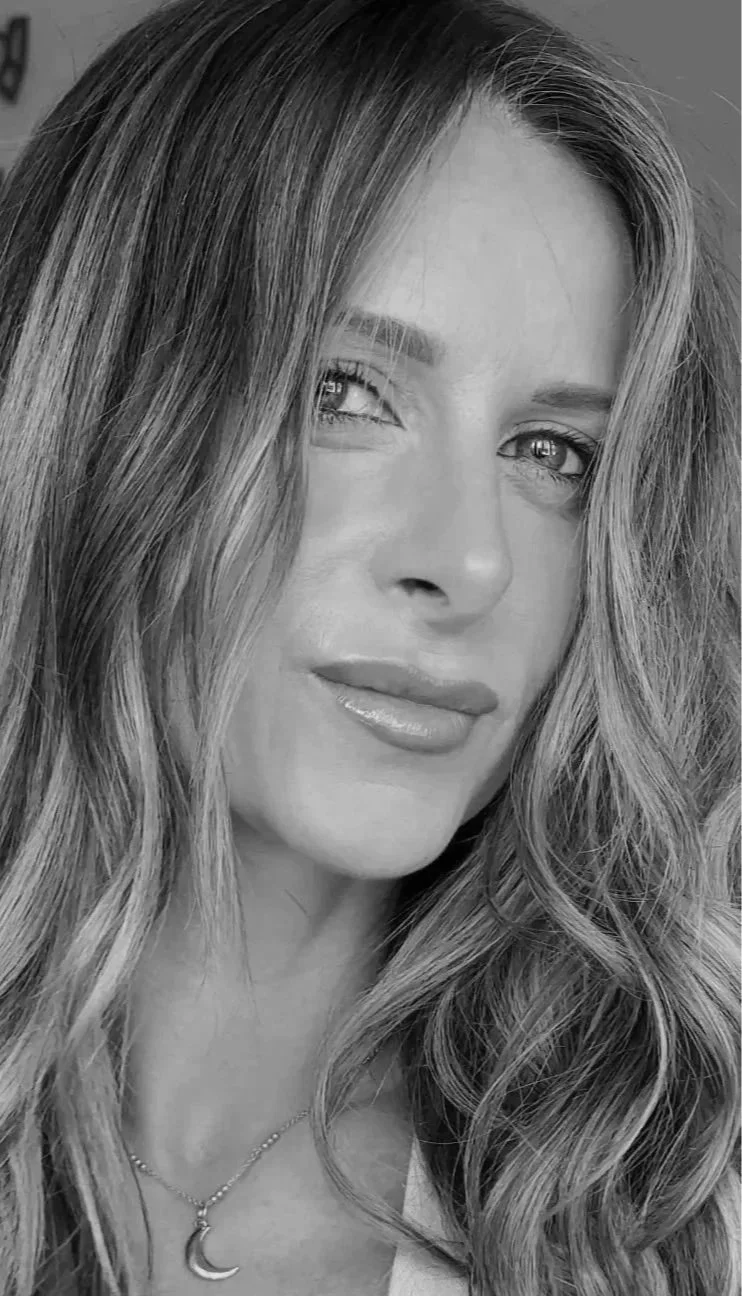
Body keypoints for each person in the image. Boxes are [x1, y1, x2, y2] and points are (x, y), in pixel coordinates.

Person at [0, 0, 738, 1292]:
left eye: (550, 453)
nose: (468, 563)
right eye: (347, 395)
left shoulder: (668, 1220)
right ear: (102, 410)